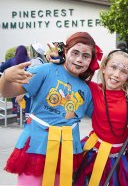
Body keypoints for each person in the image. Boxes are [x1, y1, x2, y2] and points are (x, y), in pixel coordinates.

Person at [0, 32, 103, 186]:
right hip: (35, 147)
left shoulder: (87, 90)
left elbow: (102, 119)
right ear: (66, 51)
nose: (79, 59)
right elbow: (8, 92)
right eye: (75, 53)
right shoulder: (45, 70)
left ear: (91, 60)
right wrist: (6, 78)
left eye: (86, 56)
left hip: (66, 152)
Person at [74, 48, 128, 186]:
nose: (116, 75)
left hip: (122, 156)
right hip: (94, 152)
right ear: (104, 67)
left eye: (124, 72)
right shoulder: (92, 88)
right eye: (113, 67)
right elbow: (71, 74)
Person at [0, 45, 30, 123]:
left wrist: (5, 74)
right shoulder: (28, 61)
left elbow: (1, 68)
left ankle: (18, 119)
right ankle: (26, 119)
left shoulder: (11, 61)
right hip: (25, 85)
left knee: (16, 102)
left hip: (14, 86)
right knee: (28, 101)